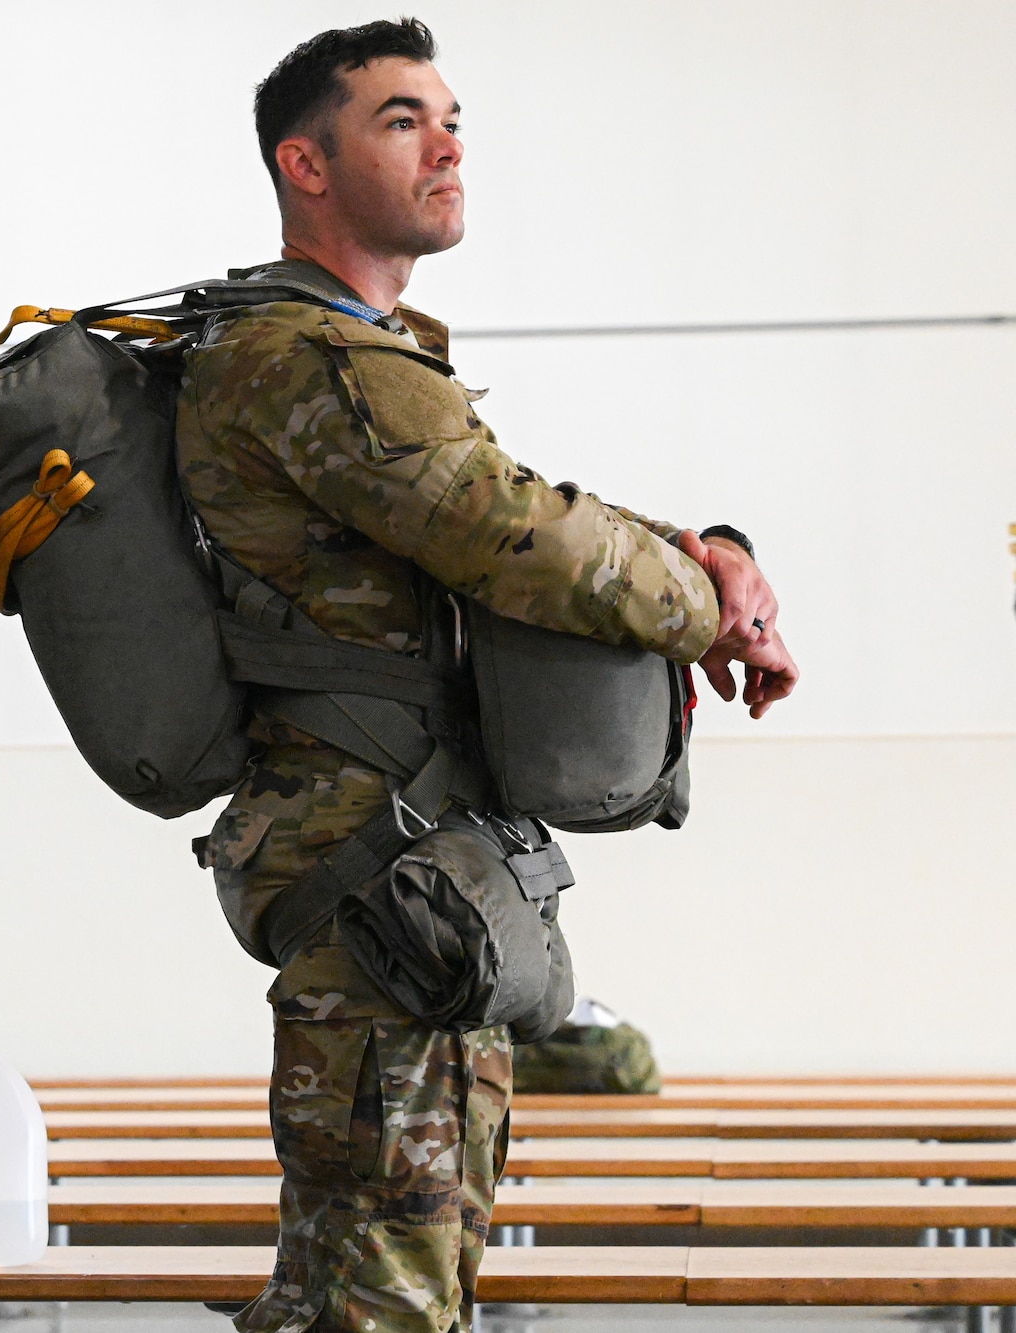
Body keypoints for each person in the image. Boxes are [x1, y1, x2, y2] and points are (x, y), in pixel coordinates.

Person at [176, 20, 797, 1332]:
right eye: (402, 118)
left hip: (403, 866)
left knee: (359, 1284)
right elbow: (516, 538)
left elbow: (517, 505)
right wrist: (712, 607)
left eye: (452, 116)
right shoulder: (308, 359)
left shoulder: (366, 357)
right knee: (389, 1292)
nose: (447, 140)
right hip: (376, 876)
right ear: (307, 163)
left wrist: (703, 553)